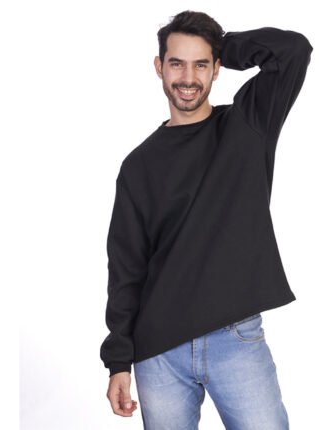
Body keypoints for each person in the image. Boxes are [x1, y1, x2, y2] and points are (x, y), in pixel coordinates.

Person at [100, 10, 313, 429]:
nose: (188, 77)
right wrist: (118, 361)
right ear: (159, 67)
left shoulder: (247, 124)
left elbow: (293, 50)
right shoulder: (139, 166)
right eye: (176, 63)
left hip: (235, 340)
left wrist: (221, 45)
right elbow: (126, 269)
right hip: (159, 352)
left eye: (201, 64)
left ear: (217, 69)